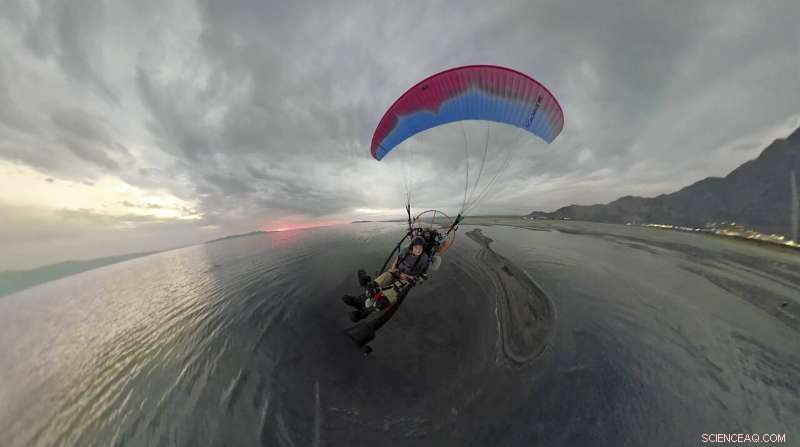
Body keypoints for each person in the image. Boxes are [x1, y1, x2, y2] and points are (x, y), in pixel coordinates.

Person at [342, 236, 430, 321]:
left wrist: (409, 277)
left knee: (382, 301)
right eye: (416, 247)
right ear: (412, 247)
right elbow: (396, 261)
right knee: (373, 287)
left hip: (406, 279)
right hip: (396, 272)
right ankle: (358, 301)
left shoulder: (424, 259)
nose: (418, 250)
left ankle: (364, 313)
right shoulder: (405, 251)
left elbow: (421, 274)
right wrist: (393, 270)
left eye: (420, 248)